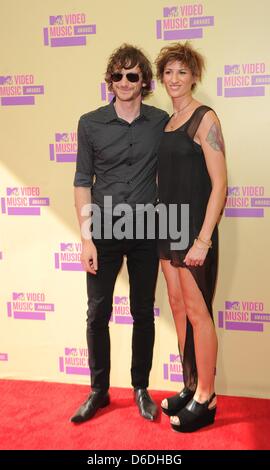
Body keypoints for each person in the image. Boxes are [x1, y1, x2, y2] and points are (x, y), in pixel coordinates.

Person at [70, 44, 168, 423]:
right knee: (98, 313)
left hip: (146, 229)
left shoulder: (162, 121)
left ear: (143, 80)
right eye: (118, 75)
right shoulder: (89, 123)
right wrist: (86, 237)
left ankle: (141, 388)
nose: (124, 82)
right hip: (104, 230)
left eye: (132, 75)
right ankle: (98, 390)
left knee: (143, 311)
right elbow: (82, 182)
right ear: (109, 80)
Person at [155, 42, 227, 432]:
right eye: (168, 72)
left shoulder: (205, 118)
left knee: (199, 314)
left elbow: (220, 184)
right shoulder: (168, 122)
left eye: (182, 71)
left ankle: (207, 397)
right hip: (166, 229)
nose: (174, 79)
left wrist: (203, 239)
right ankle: (191, 382)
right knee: (178, 307)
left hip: (193, 232)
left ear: (194, 76)